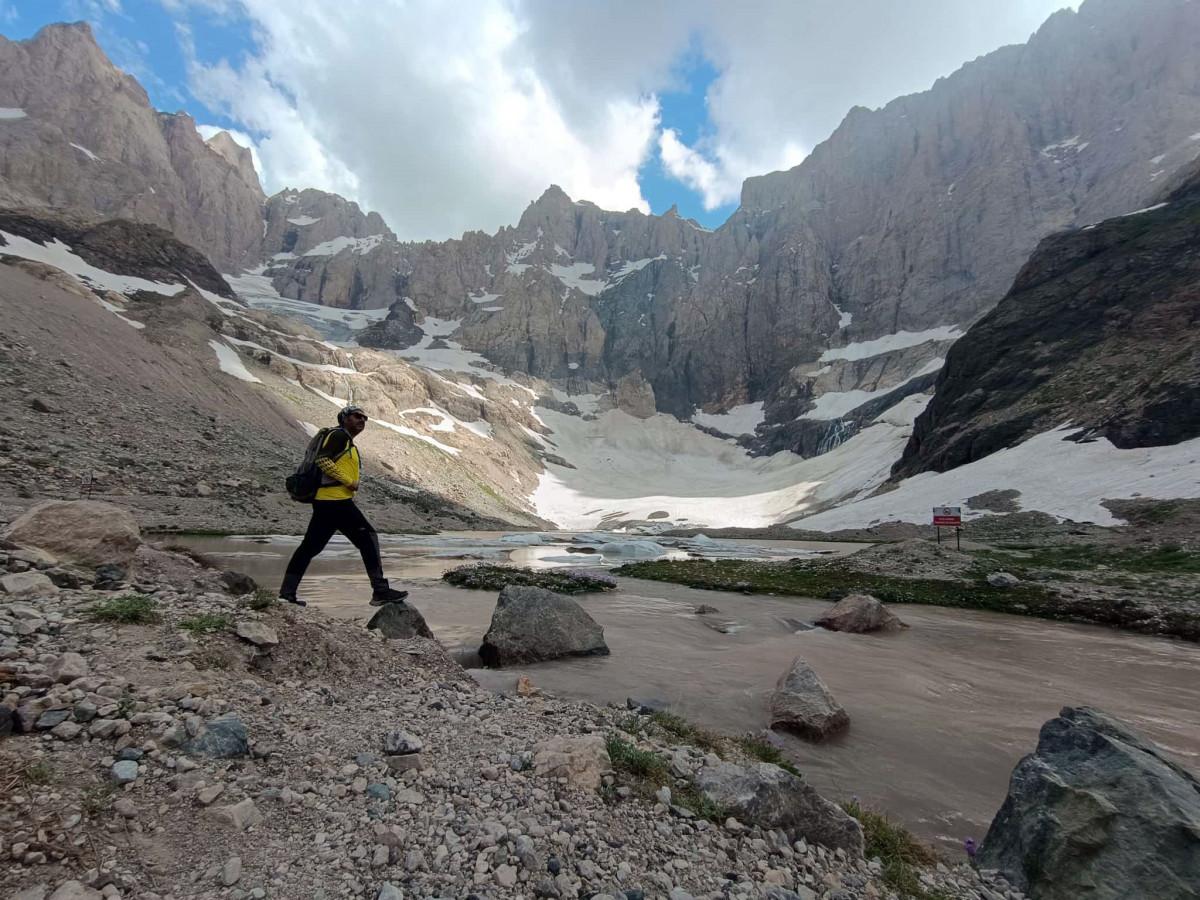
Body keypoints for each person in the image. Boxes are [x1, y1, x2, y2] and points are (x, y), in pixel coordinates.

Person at [278, 405, 409, 607]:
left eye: (365, 418)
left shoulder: (344, 440)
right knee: (368, 538)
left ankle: (287, 594)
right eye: (357, 416)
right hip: (336, 501)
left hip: (326, 502)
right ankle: (380, 591)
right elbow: (323, 460)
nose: (362, 420)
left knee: (309, 548)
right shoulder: (339, 436)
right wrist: (348, 481)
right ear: (345, 418)